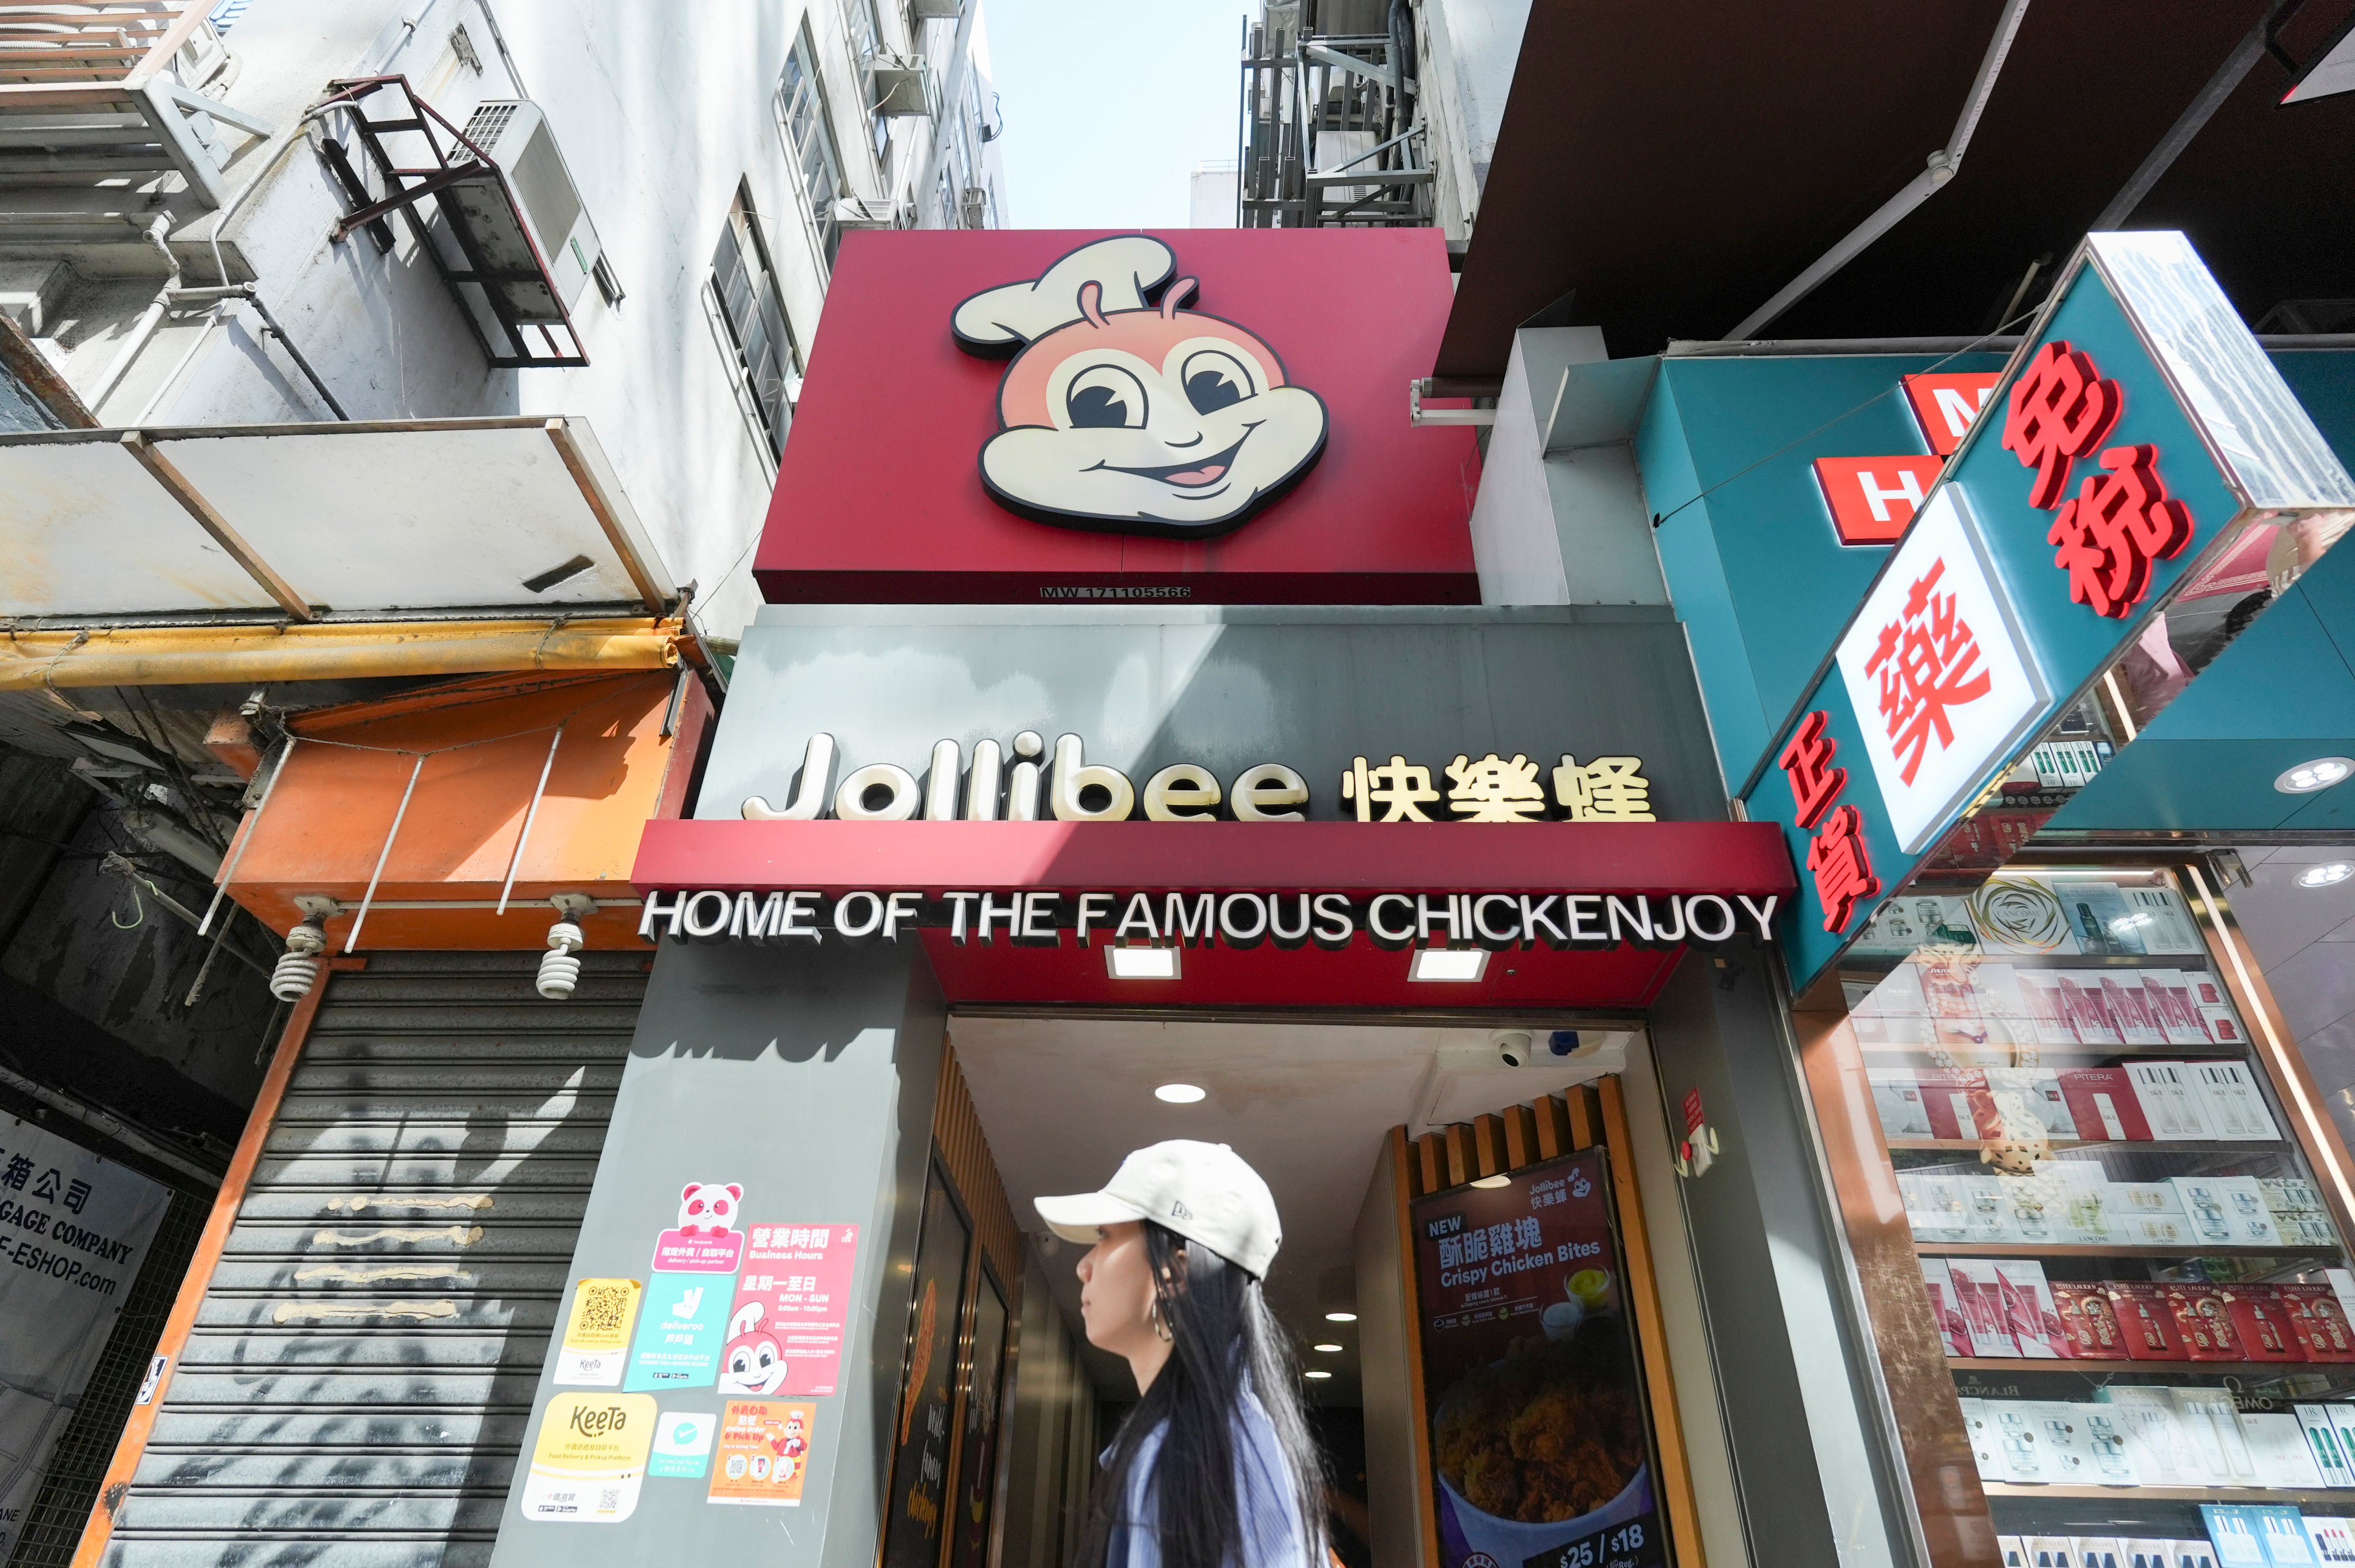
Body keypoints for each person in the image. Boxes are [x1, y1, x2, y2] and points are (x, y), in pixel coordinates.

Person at [1036, 1140, 1328, 1568]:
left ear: (1174, 1270)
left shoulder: (1196, 1457)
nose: (1084, 1266)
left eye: (1104, 1236)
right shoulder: (1217, 1440)